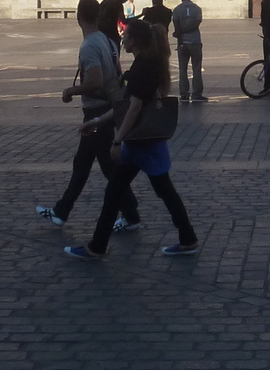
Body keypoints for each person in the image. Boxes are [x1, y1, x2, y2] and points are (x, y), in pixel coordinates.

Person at [65, 18, 200, 260]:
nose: (122, 38)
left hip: (140, 143)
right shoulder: (146, 62)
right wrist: (97, 122)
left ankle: (97, 247)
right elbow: (124, 105)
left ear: (134, 41)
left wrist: (118, 140)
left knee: (119, 193)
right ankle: (187, 238)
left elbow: (134, 108)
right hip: (147, 142)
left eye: (125, 36)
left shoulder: (143, 67)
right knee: (159, 191)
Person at [38, 0, 141, 230]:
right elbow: (116, 74)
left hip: (96, 111)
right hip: (106, 108)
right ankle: (61, 211)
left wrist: (71, 90)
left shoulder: (89, 46)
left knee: (108, 167)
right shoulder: (107, 40)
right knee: (82, 164)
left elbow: (95, 81)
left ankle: (131, 213)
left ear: (78, 16)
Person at [172, 0, 206, 102]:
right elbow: (197, 24)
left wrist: (180, 33)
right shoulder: (197, 9)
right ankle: (196, 93)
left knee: (183, 69)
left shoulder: (176, 10)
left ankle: (184, 94)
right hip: (195, 41)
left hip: (182, 42)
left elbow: (176, 26)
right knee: (196, 68)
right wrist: (188, 29)